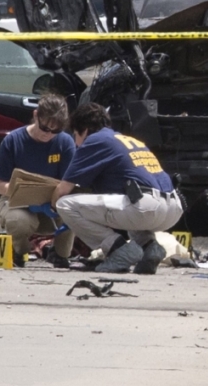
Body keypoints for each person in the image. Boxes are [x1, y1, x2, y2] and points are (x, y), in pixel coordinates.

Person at [52, 103, 183, 274]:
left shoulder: (95, 140)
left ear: (84, 130)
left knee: (65, 204)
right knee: (125, 205)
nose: (76, 143)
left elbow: (62, 190)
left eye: (75, 135)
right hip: (172, 208)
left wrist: (53, 207)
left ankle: (118, 250)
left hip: (147, 207)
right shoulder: (126, 140)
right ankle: (149, 247)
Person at [0, 92, 76, 268]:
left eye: (55, 131)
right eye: (45, 128)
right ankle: (19, 251)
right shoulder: (13, 141)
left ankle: (60, 254)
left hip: (51, 205)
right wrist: (26, 194)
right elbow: (0, 186)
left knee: (76, 210)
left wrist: (54, 201)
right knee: (19, 221)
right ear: (36, 115)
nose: (48, 134)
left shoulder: (65, 143)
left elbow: (68, 183)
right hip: (16, 203)